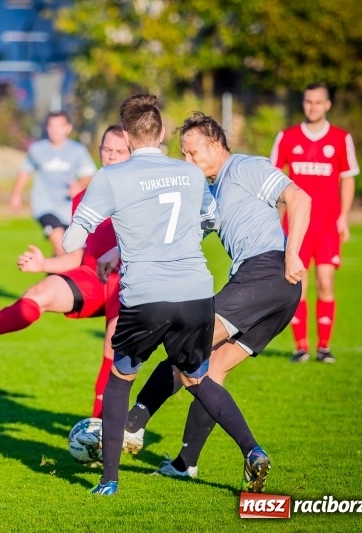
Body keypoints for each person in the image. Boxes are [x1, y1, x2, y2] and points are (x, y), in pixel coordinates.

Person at [64, 94, 268, 496]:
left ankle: (109, 480)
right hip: (195, 292)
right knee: (196, 377)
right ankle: (253, 449)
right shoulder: (189, 174)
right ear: (159, 133)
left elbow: (76, 236)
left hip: (146, 296)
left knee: (121, 377)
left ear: (126, 135)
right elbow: (210, 217)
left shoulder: (112, 176)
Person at [114, 112, 310, 481]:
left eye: (193, 152)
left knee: (187, 348)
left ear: (216, 144)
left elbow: (299, 197)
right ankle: (190, 464)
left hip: (266, 273)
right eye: (183, 154)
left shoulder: (245, 166)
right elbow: (184, 233)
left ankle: (132, 423)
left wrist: (293, 251)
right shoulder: (211, 191)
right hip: (278, 293)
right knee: (212, 367)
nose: (187, 160)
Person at [0, 125, 131, 418]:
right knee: (40, 292)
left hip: (131, 281)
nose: (112, 157)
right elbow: (82, 253)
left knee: (114, 352)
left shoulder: (142, 192)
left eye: (119, 151)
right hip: (92, 276)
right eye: (107, 150)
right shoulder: (85, 197)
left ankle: (103, 426)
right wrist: (45, 265)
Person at [270, 82, 359, 364]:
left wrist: (343, 217)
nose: (313, 107)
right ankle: (301, 347)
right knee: (298, 284)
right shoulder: (287, 137)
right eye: (309, 102)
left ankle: (324, 346)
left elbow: (347, 178)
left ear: (328, 105)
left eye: (318, 102)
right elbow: (272, 178)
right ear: (304, 104)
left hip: (326, 226)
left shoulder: (341, 139)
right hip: (296, 226)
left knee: (325, 281)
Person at [10, 111, 97, 256]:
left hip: (67, 208)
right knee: (58, 241)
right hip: (44, 206)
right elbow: (25, 171)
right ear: (46, 128)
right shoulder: (37, 149)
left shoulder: (77, 151)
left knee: (66, 251)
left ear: (68, 128)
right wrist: (16, 195)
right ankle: (56, 276)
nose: (55, 130)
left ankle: (53, 276)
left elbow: (90, 174)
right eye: (52, 126)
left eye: (60, 126)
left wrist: (79, 185)